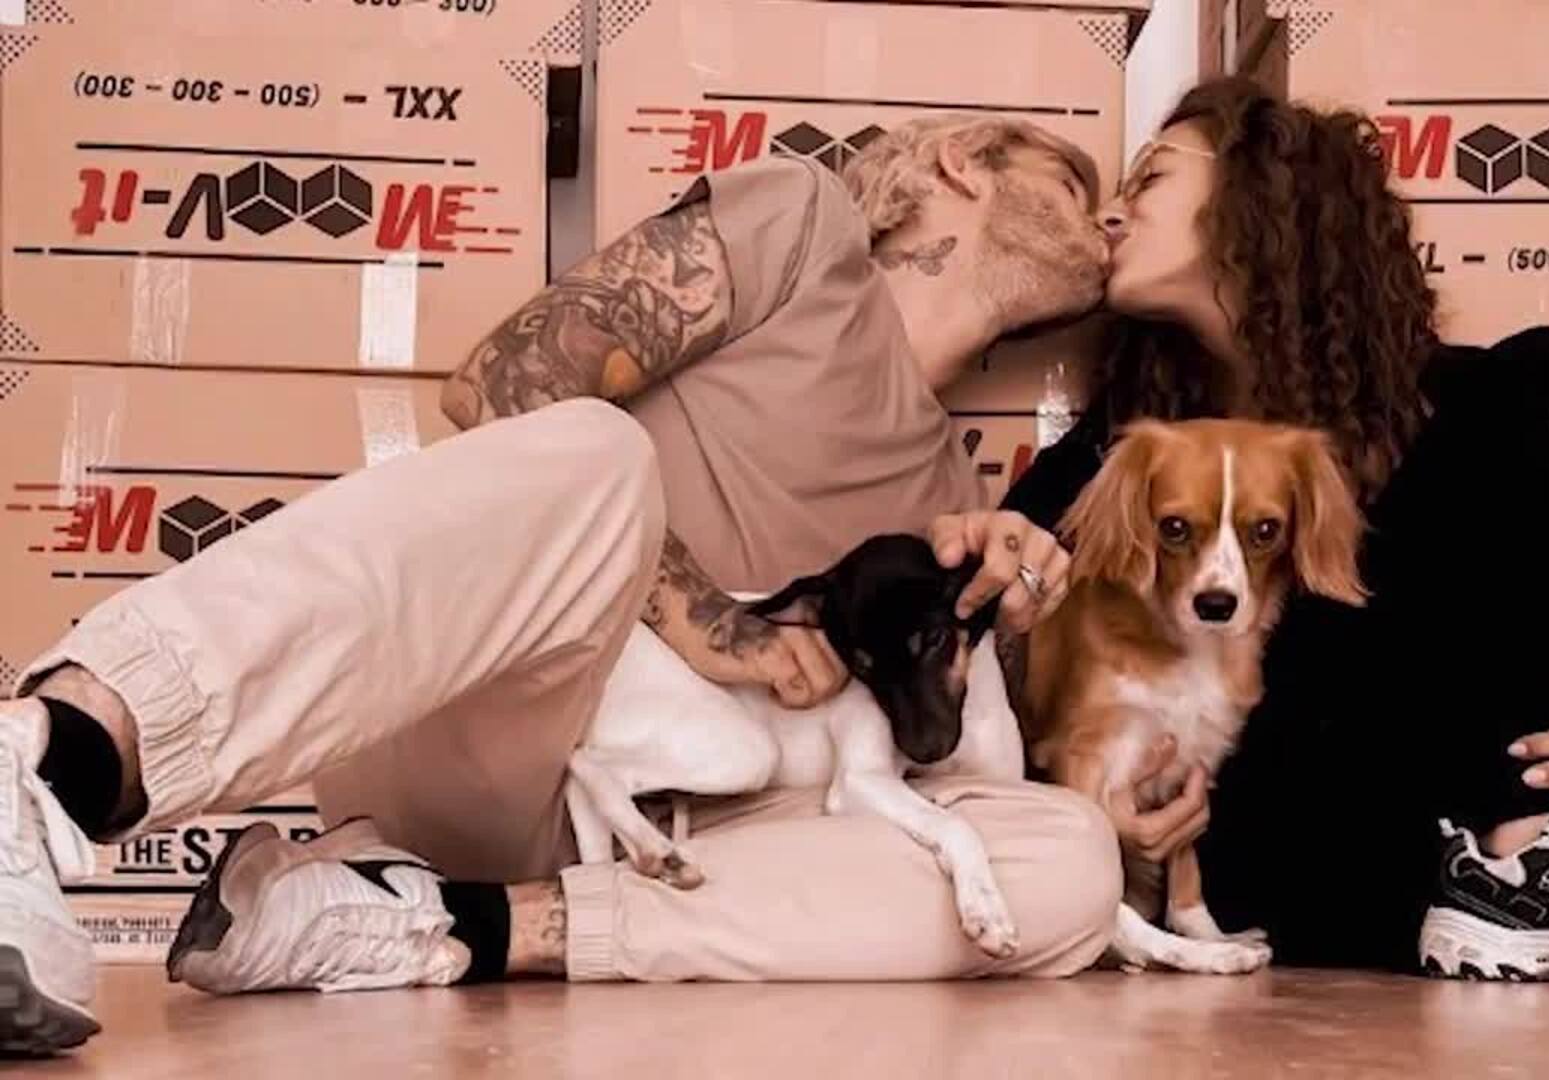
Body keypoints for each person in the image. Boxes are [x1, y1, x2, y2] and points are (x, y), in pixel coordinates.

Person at [0, 116, 1125, 1056]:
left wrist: (1003, 630)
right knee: (598, 452)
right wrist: (710, 621)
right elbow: (502, 382)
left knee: (1069, 859)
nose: (1108, 216)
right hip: (503, 721)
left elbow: (912, 773)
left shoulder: (951, 504)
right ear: (964, 163)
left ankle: (431, 921)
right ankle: (59, 758)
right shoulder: (802, 230)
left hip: (673, 846)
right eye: (1077, 186)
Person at [1002, 77, 1549, 982]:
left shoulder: (1464, 407)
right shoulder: (1138, 444)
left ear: (1255, 198)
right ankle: (1522, 851)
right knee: (1547, 370)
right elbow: (991, 580)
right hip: (1306, 827)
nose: (1112, 213)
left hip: (1480, 782)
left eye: (1149, 178)